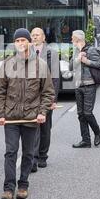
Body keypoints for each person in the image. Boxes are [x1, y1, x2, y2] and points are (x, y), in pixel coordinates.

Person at [0, 28, 55, 199]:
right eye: (18, 41)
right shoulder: (7, 64)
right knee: (10, 152)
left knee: (28, 153)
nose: (21, 43)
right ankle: (8, 188)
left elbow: (48, 92)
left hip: (31, 118)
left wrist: (42, 112)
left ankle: (23, 185)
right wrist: (0, 114)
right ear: (15, 43)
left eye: (24, 40)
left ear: (29, 42)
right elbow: (0, 92)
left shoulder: (41, 65)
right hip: (11, 117)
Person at [30, 28, 60, 172]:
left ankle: (42, 156)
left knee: (45, 128)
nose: (34, 37)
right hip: (30, 97)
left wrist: (53, 99)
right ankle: (33, 159)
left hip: (46, 95)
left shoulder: (51, 53)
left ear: (43, 37)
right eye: (33, 35)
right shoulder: (25, 52)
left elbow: (55, 78)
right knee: (32, 127)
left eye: (37, 35)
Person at [70, 30, 100, 148]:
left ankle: (97, 133)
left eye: (72, 39)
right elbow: (70, 66)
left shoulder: (91, 50)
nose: (71, 41)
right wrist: (77, 59)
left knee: (87, 113)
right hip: (78, 85)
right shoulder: (76, 51)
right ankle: (85, 140)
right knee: (80, 114)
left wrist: (87, 61)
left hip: (89, 85)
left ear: (78, 40)